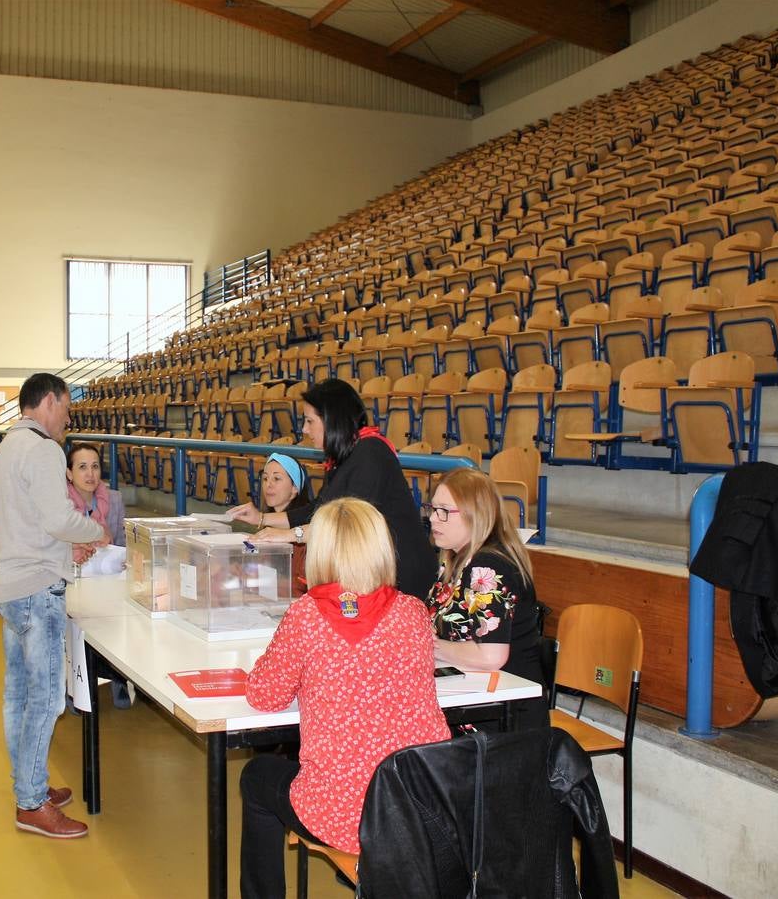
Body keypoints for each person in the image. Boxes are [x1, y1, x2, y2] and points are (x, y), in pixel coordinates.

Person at [240, 498, 450, 898]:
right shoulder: (413, 612)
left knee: (256, 778)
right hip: (419, 807)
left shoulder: (306, 616)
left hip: (344, 815)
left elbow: (264, 696)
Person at [0, 373, 107, 839]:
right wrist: (96, 533)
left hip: (12, 585)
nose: (69, 417)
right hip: (37, 591)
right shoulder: (42, 448)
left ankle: (28, 784)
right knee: (46, 698)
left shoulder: (5, 449)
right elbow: (57, 518)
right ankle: (32, 803)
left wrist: (62, 549)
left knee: (17, 694)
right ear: (50, 401)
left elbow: (29, 524)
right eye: (67, 406)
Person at [229, 379, 435, 601]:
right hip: (375, 572)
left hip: (402, 576)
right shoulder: (342, 457)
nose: (305, 429)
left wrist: (289, 535)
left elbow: (345, 524)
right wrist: (262, 518)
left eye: (310, 421)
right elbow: (317, 510)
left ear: (332, 420)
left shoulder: (371, 454)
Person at [426, 467, 548, 729]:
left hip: (504, 714)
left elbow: (491, 656)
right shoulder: (455, 561)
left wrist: (430, 645)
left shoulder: (489, 567)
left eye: (444, 511)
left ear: (475, 514)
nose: (433, 519)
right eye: (432, 509)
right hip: (477, 698)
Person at [65, 441, 133, 709]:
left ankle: (118, 677)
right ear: (69, 473)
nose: (90, 474)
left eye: (94, 467)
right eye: (82, 467)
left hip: (108, 580)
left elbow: (122, 541)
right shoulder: (61, 504)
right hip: (73, 579)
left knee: (121, 621)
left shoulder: (113, 499)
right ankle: (73, 686)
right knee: (72, 624)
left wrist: (126, 559)